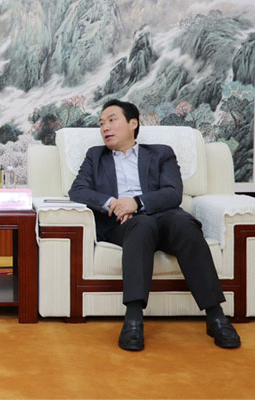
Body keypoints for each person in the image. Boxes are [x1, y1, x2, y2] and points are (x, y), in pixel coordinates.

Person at [68, 99, 241, 351]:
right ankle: (133, 319)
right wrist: (113, 203)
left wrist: (136, 202)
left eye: (112, 120)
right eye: (102, 123)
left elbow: (173, 193)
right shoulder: (96, 156)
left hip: (164, 216)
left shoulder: (161, 153)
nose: (105, 127)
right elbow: (77, 190)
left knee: (185, 225)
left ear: (133, 124)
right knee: (142, 225)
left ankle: (215, 316)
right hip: (124, 224)